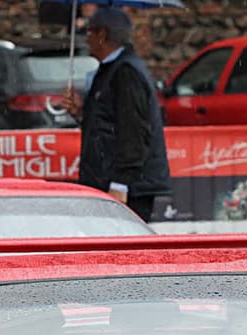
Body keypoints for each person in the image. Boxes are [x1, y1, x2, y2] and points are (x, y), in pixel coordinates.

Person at [58, 8, 170, 222]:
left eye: (90, 32)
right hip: (108, 179)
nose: (86, 38)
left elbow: (134, 130)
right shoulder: (110, 69)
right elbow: (107, 122)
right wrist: (82, 112)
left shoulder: (126, 72)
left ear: (102, 35)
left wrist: (121, 183)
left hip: (127, 188)